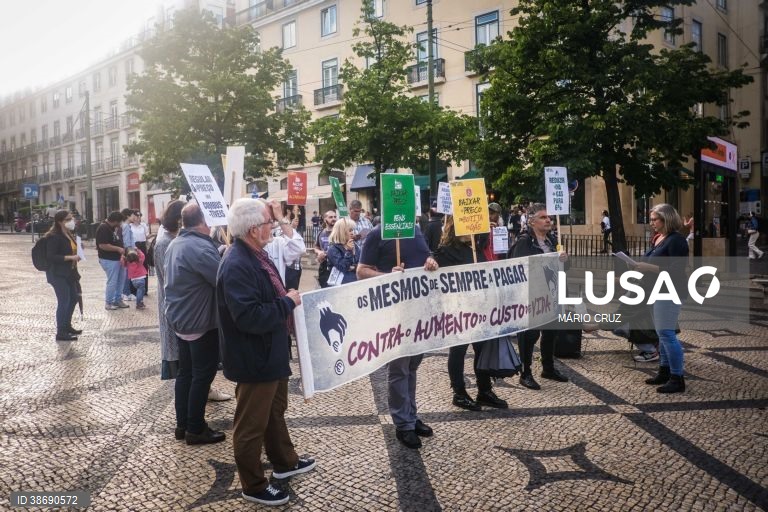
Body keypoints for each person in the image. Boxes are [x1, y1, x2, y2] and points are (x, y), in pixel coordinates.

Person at [218, 198, 316, 506]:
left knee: (274, 411)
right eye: (267, 223)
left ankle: (285, 462)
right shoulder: (237, 263)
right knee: (250, 425)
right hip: (254, 357)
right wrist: (287, 302)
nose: (271, 227)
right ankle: (253, 484)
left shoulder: (255, 254)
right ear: (251, 229)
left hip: (271, 351)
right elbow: (248, 317)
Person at [357, 224, 439, 449]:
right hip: (394, 313)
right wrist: (387, 276)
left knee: (412, 366)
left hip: (419, 312)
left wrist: (430, 262)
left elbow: (424, 257)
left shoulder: (416, 229)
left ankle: (411, 415)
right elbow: (361, 270)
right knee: (399, 369)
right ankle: (403, 424)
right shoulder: (377, 233)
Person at [164, 203, 225, 444]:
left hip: (181, 319)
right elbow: (221, 278)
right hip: (200, 322)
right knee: (203, 375)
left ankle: (182, 425)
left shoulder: (177, 243)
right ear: (203, 221)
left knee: (186, 373)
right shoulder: (199, 247)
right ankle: (195, 428)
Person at [434, 215, 507, 411]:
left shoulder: (474, 249)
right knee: (458, 350)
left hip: (479, 309)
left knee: (482, 349)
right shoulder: (445, 252)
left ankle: (484, 390)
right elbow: (436, 276)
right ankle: (459, 392)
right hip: (459, 309)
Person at [510, 203, 570, 390]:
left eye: (549, 217)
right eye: (543, 217)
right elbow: (519, 269)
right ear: (532, 221)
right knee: (529, 335)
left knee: (551, 331)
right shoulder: (524, 241)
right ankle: (525, 372)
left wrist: (563, 260)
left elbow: (560, 269)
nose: (548, 220)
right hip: (532, 295)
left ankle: (548, 367)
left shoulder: (552, 240)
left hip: (551, 293)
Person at [634, 203, 689, 393]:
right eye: (650, 220)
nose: (651, 223)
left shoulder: (677, 240)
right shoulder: (659, 238)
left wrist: (648, 267)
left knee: (666, 333)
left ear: (666, 219)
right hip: (655, 290)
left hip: (669, 291)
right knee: (662, 333)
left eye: (654, 219)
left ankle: (677, 377)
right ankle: (664, 371)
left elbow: (676, 270)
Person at [155, 200, 185, 380]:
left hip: (182, 305)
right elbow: (167, 278)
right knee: (177, 352)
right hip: (173, 306)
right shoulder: (163, 243)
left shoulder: (177, 239)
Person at [45, 210, 82, 341]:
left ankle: (67, 326)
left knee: (73, 299)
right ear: (60, 221)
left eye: (72, 218)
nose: (71, 221)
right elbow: (51, 256)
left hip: (70, 272)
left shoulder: (69, 234)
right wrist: (70, 257)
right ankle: (61, 332)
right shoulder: (54, 236)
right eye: (68, 219)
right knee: (64, 301)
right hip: (57, 274)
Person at [264, 201, 305, 286]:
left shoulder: (277, 243)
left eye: (273, 220)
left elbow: (299, 248)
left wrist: (281, 218)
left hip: (294, 265)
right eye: (269, 221)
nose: (272, 224)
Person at [96, 211, 128, 310]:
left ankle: (117, 300)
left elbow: (118, 241)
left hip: (118, 258)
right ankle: (108, 303)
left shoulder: (114, 228)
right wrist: (118, 249)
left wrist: (122, 253)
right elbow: (102, 245)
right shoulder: (103, 228)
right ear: (115, 221)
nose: (121, 224)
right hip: (108, 259)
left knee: (120, 280)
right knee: (112, 281)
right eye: (120, 222)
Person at [326, 217, 360, 285]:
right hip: (340, 286)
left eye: (352, 230)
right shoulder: (333, 249)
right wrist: (348, 251)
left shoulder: (355, 245)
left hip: (356, 282)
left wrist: (353, 267)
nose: (352, 233)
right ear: (341, 231)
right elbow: (343, 267)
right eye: (349, 230)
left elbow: (361, 264)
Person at [314, 210, 337, 288]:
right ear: (325, 219)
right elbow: (316, 247)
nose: (333, 219)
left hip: (336, 266)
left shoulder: (339, 233)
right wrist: (319, 252)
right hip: (324, 267)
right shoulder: (321, 233)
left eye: (335, 217)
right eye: (330, 217)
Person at [131, 212, 150, 294]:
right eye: (137, 216)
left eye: (139, 216)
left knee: (144, 267)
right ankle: (133, 289)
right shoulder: (130, 226)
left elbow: (146, 236)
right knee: (134, 266)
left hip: (142, 245)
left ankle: (144, 289)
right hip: (134, 246)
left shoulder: (143, 225)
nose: (138, 217)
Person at [284, 215, 303, 289]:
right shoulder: (285, 233)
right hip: (290, 267)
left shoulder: (297, 233)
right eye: (295, 220)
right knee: (291, 290)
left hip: (298, 267)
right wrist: (291, 227)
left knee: (295, 288)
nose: (296, 222)